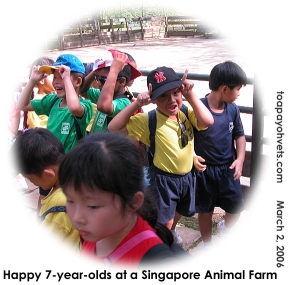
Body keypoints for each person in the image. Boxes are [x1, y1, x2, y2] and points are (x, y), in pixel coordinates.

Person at [108, 66, 214, 245]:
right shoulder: (148, 120)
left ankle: (170, 232)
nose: (172, 100)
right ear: (153, 100)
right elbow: (114, 128)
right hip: (164, 180)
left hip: (187, 176)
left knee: (181, 209)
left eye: (175, 93)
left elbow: (207, 121)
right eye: (163, 96)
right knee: (164, 219)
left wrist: (190, 95)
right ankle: (161, 244)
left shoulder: (185, 112)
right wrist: (137, 104)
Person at [58, 132, 189, 268]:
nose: (77, 217)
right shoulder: (92, 234)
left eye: (92, 206)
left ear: (133, 202)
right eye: (70, 200)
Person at [192, 61, 247, 249]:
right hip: (204, 171)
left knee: (236, 207)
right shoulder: (197, 108)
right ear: (225, 88)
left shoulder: (233, 110)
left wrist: (240, 159)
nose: (239, 93)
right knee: (205, 211)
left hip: (228, 168)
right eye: (238, 89)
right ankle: (207, 244)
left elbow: (239, 135)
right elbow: (186, 136)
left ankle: (225, 227)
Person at [10, 128, 80, 251]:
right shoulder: (76, 177)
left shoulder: (59, 205)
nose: (33, 183)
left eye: (31, 180)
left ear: (48, 174)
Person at [16, 53, 93, 153]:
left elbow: (74, 108)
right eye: (55, 77)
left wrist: (66, 78)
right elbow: (22, 105)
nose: (56, 82)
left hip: (69, 164)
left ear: (78, 82)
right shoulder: (53, 101)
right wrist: (32, 81)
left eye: (62, 77)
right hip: (51, 161)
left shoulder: (85, 105)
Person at [80, 49, 142, 133]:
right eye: (97, 78)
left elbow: (104, 106)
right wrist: (95, 71)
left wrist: (114, 70)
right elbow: (82, 90)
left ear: (122, 82)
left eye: (104, 80)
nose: (98, 82)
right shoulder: (102, 95)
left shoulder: (124, 103)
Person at [25, 57, 55, 129]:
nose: (57, 81)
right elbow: (34, 129)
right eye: (54, 77)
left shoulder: (56, 97)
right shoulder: (36, 102)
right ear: (41, 80)